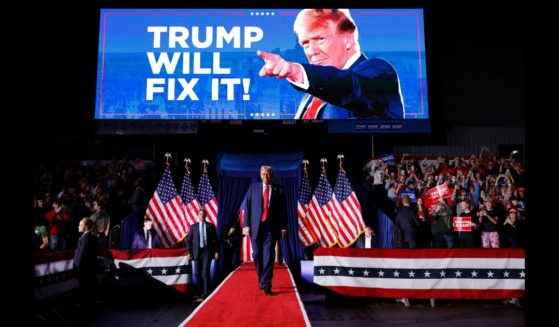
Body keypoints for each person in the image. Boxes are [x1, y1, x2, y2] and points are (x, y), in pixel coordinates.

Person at [257, 8, 404, 119]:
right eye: (305, 43)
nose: (312, 51)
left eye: (320, 39)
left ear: (348, 39)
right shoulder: (313, 92)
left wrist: (295, 71)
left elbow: (350, 87)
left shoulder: (379, 71)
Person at [243, 166, 287, 295]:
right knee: (257, 254)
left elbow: (282, 211)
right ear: (260, 175)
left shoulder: (279, 190)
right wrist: (246, 225)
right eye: (263, 174)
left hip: (271, 228)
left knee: (268, 256)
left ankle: (266, 284)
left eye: (267, 175)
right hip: (256, 227)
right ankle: (262, 277)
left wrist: (283, 227)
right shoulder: (253, 188)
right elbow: (248, 208)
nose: (265, 177)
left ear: (272, 176)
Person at [186, 208, 219, 300]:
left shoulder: (210, 226)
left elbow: (215, 240)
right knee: (196, 273)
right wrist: (189, 252)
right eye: (200, 214)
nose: (202, 216)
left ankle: (206, 293)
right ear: (197, 215)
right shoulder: (193, 227)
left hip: (207, 252)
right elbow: (188, 240)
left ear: (206, 216)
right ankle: (200, 291)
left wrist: (216, 251)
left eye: (203, 214)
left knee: (205, 272)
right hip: (196, 252)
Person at [73, 217, 99, 306]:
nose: (78, 226)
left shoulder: (85, 238)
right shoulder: (91, 237)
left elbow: (82, 254)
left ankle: (85, 305)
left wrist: (77, 268)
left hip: (83, 269)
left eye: (80, 225)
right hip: (89, 268)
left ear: (86, 226)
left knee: (84, 288)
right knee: (88, 288)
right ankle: (89, 304)